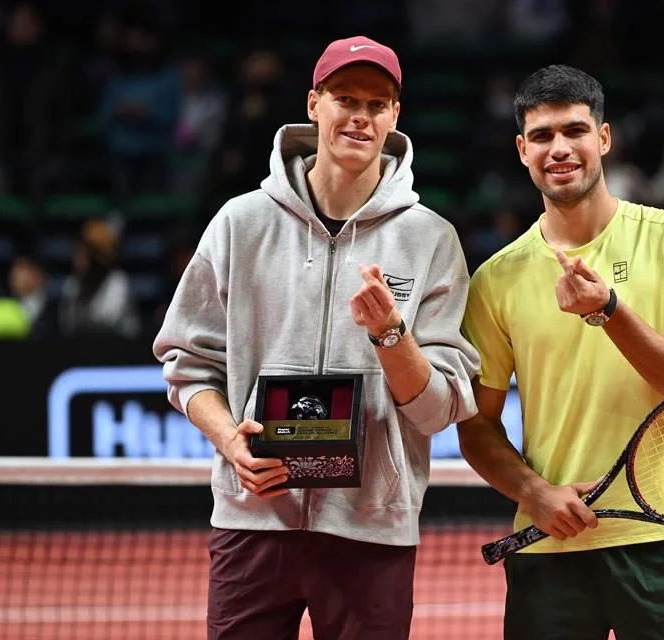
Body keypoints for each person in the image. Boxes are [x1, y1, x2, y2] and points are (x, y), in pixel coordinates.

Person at [152, 36, 479, 640]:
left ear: (395, 117)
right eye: (344, 98)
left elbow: (438, 410)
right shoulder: (240, 222)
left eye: (377, 104)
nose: (360, 116)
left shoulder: (432, 239)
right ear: (313, 103)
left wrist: (392, 335)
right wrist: (230, 440)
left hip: (371, 529)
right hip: (255, 521)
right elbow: (186, 362)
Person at [457, 64, 664, 640]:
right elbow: (477, 427)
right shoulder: (495, 279)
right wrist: (534, 492)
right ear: (522, 151)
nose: (559, 148)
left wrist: (609, 312)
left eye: (575, 131)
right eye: (542, 136)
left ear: (603, 139)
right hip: (552, 546)